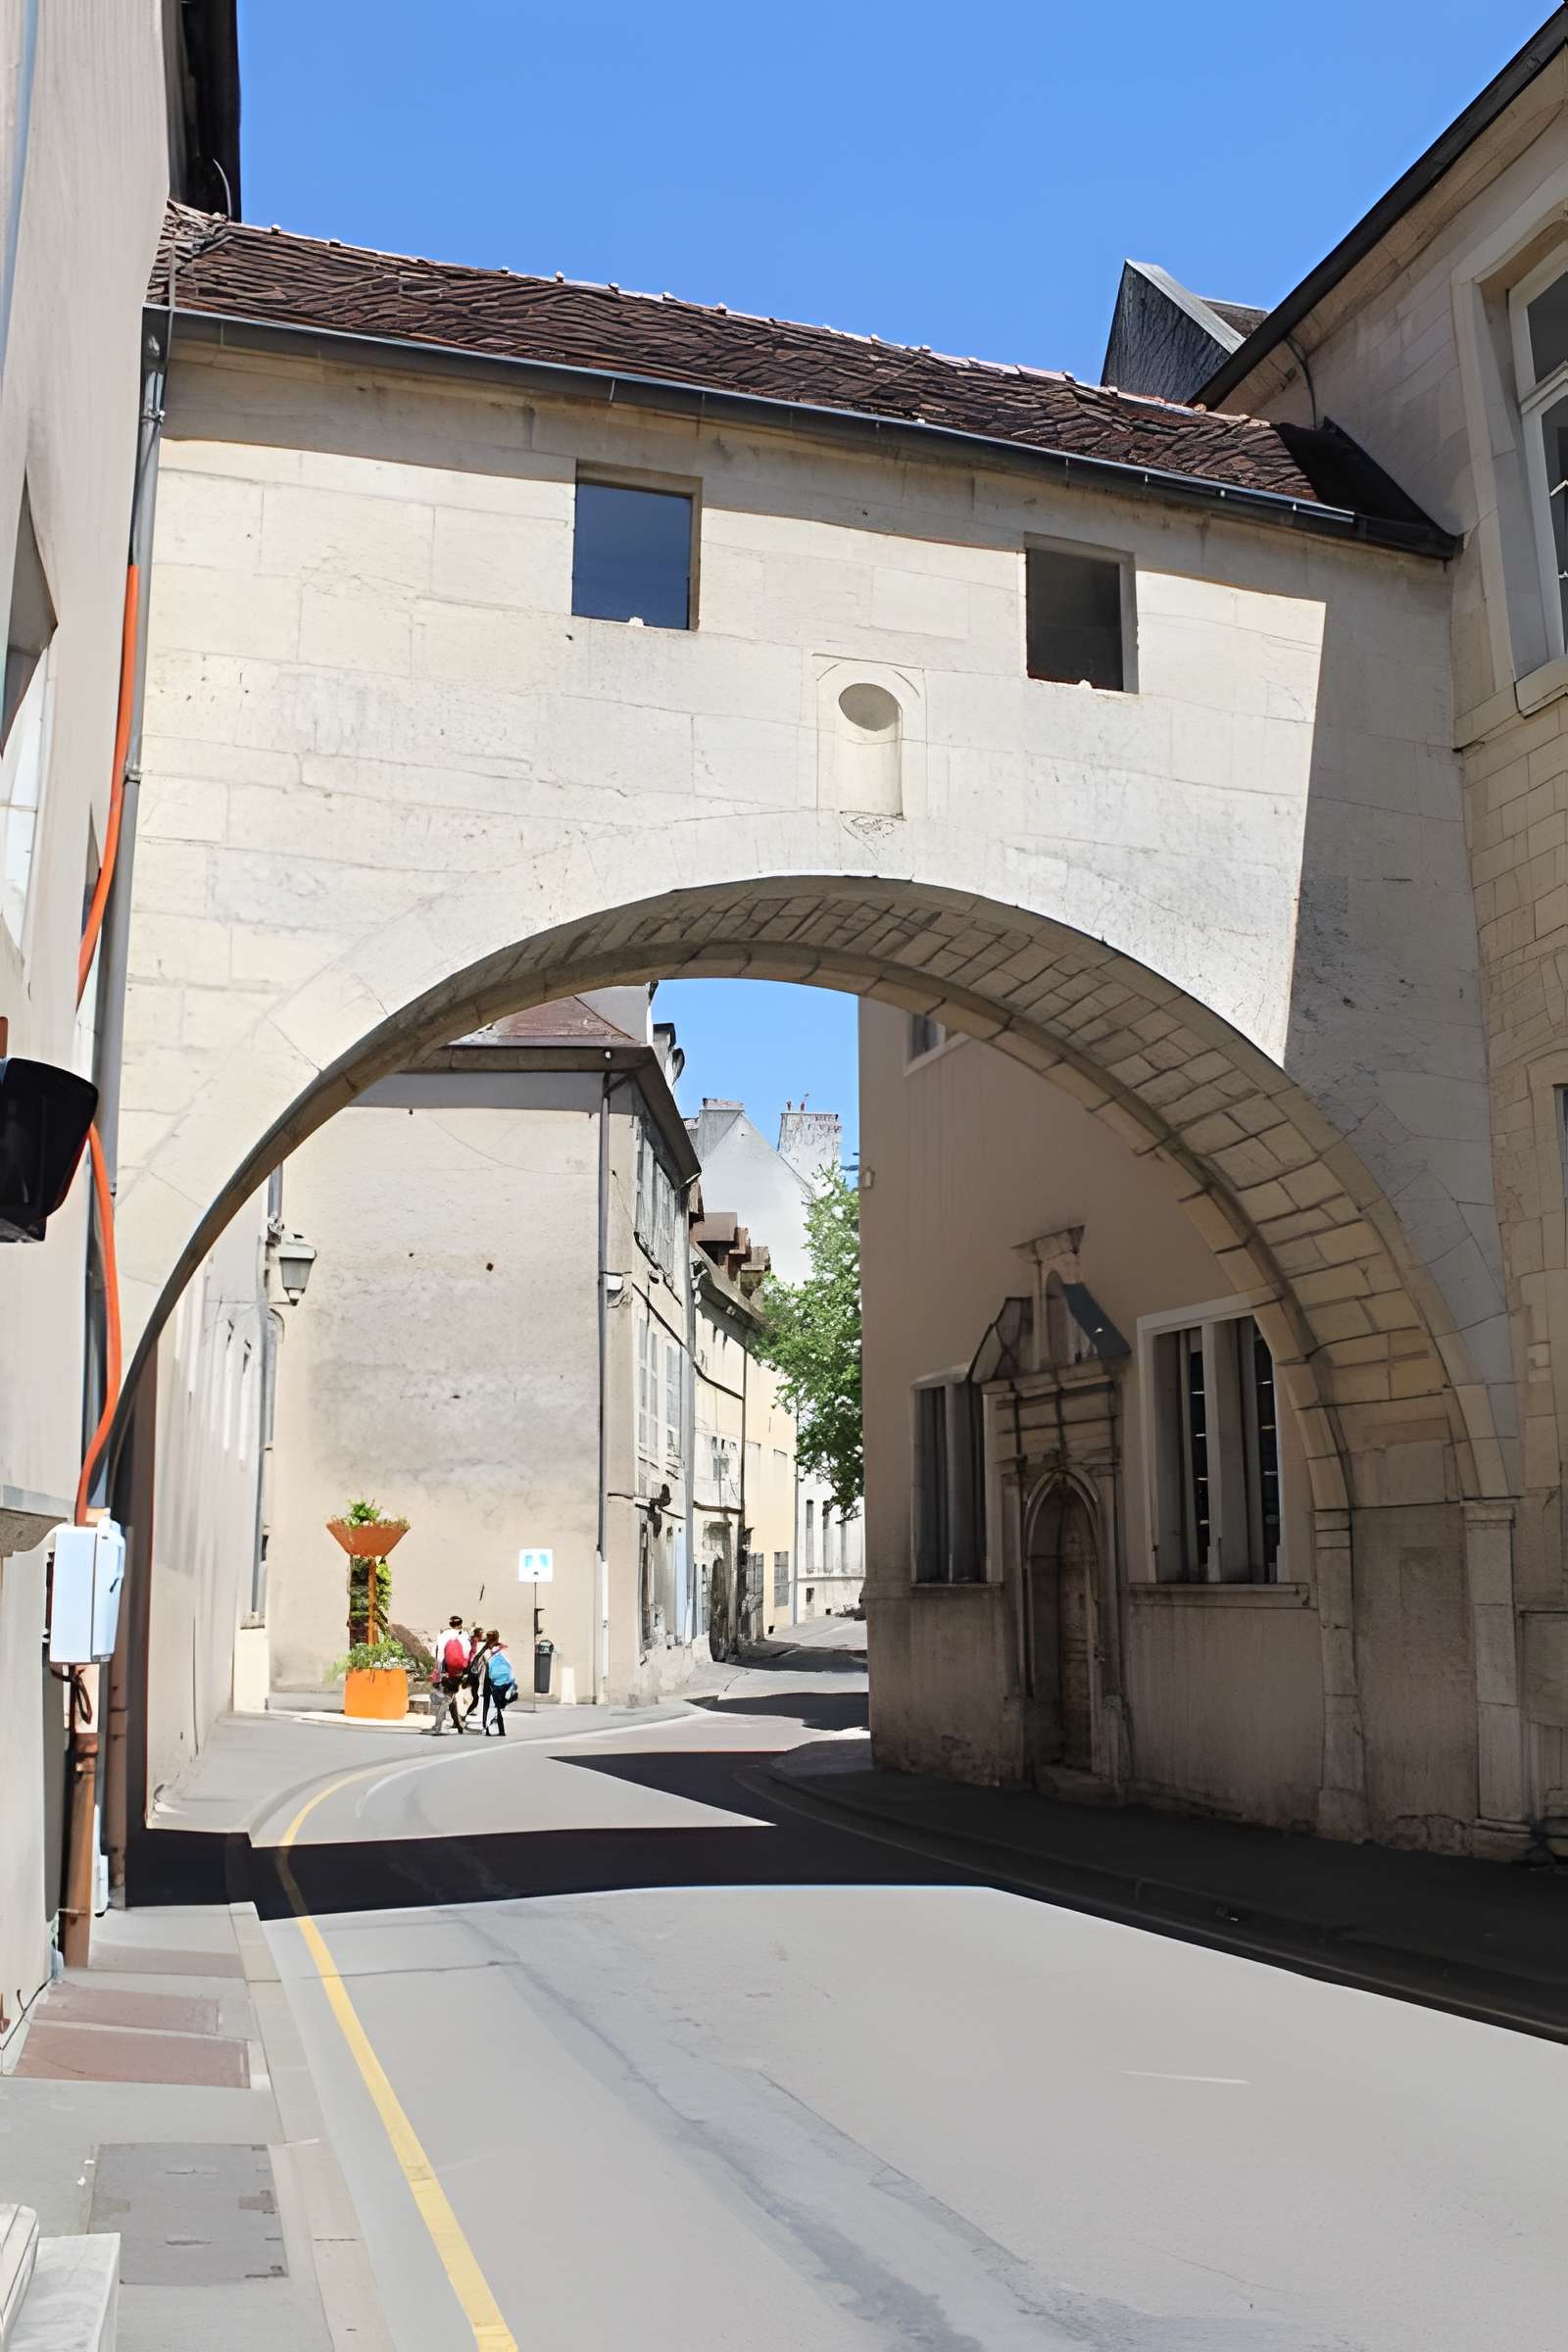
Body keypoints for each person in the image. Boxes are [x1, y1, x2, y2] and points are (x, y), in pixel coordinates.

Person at [427, 1615, 470, 1736]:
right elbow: (467, 1655)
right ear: (460, 1624)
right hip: (458, 1673)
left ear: (450, 1624)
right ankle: (459, 1725)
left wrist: (438, 1673)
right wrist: (465, 1672)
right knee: (451, 1699)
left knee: (446, 1699)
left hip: (447, 1672)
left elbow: (439, 1656)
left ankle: (437, 1726)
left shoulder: (443, 1635)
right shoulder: (464, 1636)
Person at [484, 1634, 517, 1736]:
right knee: (499, 1706)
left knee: (494, 1706)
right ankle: (501, 1730)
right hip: (506, 1682)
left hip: (495, 1682)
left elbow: (487, 1667)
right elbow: (510, 1666)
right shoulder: (504, 1651)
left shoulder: (487, 1653)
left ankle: (490, 1729)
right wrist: (513, 1681)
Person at [462, 1623, 490, 1725]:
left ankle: (464, 1715)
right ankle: (464, 1715)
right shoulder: (474, 1642)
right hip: (472, 1672)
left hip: (472, 1671)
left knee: (474, 1697)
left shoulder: (474, 1641)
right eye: (481, 1633)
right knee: (475, 1697)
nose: (482, 1635)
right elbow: (475, 1654)